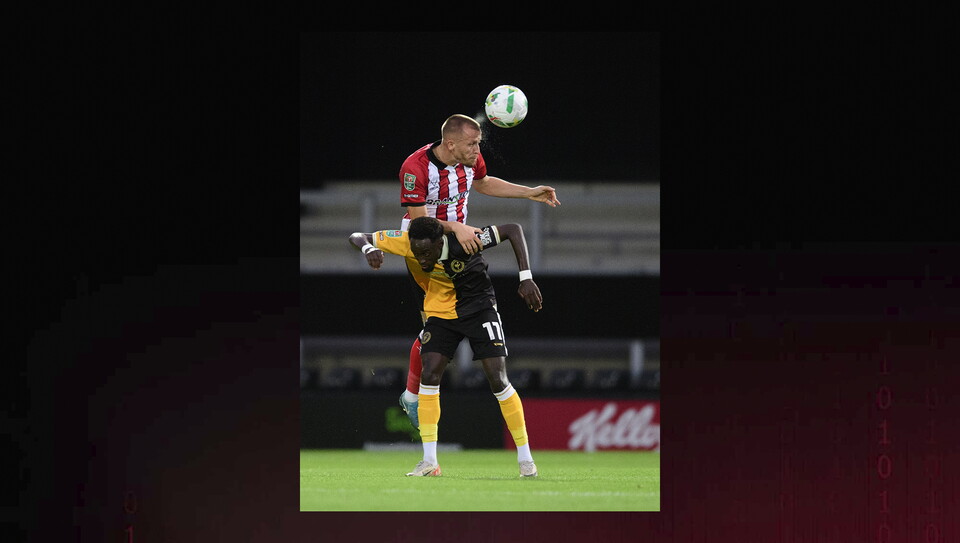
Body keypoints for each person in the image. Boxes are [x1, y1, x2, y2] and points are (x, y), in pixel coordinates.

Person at [396, 113, 560, 430]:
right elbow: (419, 223)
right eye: (472, 144)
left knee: (439, 326)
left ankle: (412, 396)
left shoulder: (469, 158)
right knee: (435, 325)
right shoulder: (414, 168)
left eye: (479, 143)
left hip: (461, 247)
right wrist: (457, 226)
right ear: (451, 143)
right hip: (425, 252)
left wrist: (530, 192)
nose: (477, 149)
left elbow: (483, 183)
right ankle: (413, 398)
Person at [350, 216, 542, 477]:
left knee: (497, 379)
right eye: (417, 253)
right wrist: (368, 248)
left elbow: (512, 229)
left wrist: (525, 277)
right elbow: (357, 235)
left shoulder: (465, 240)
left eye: (427, 253)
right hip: (440, 314)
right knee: (430, 374)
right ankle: (429, 462)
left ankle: (525, 459)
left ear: (440, 241)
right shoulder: (407, 242)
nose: (422, 260)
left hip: (479, 309)